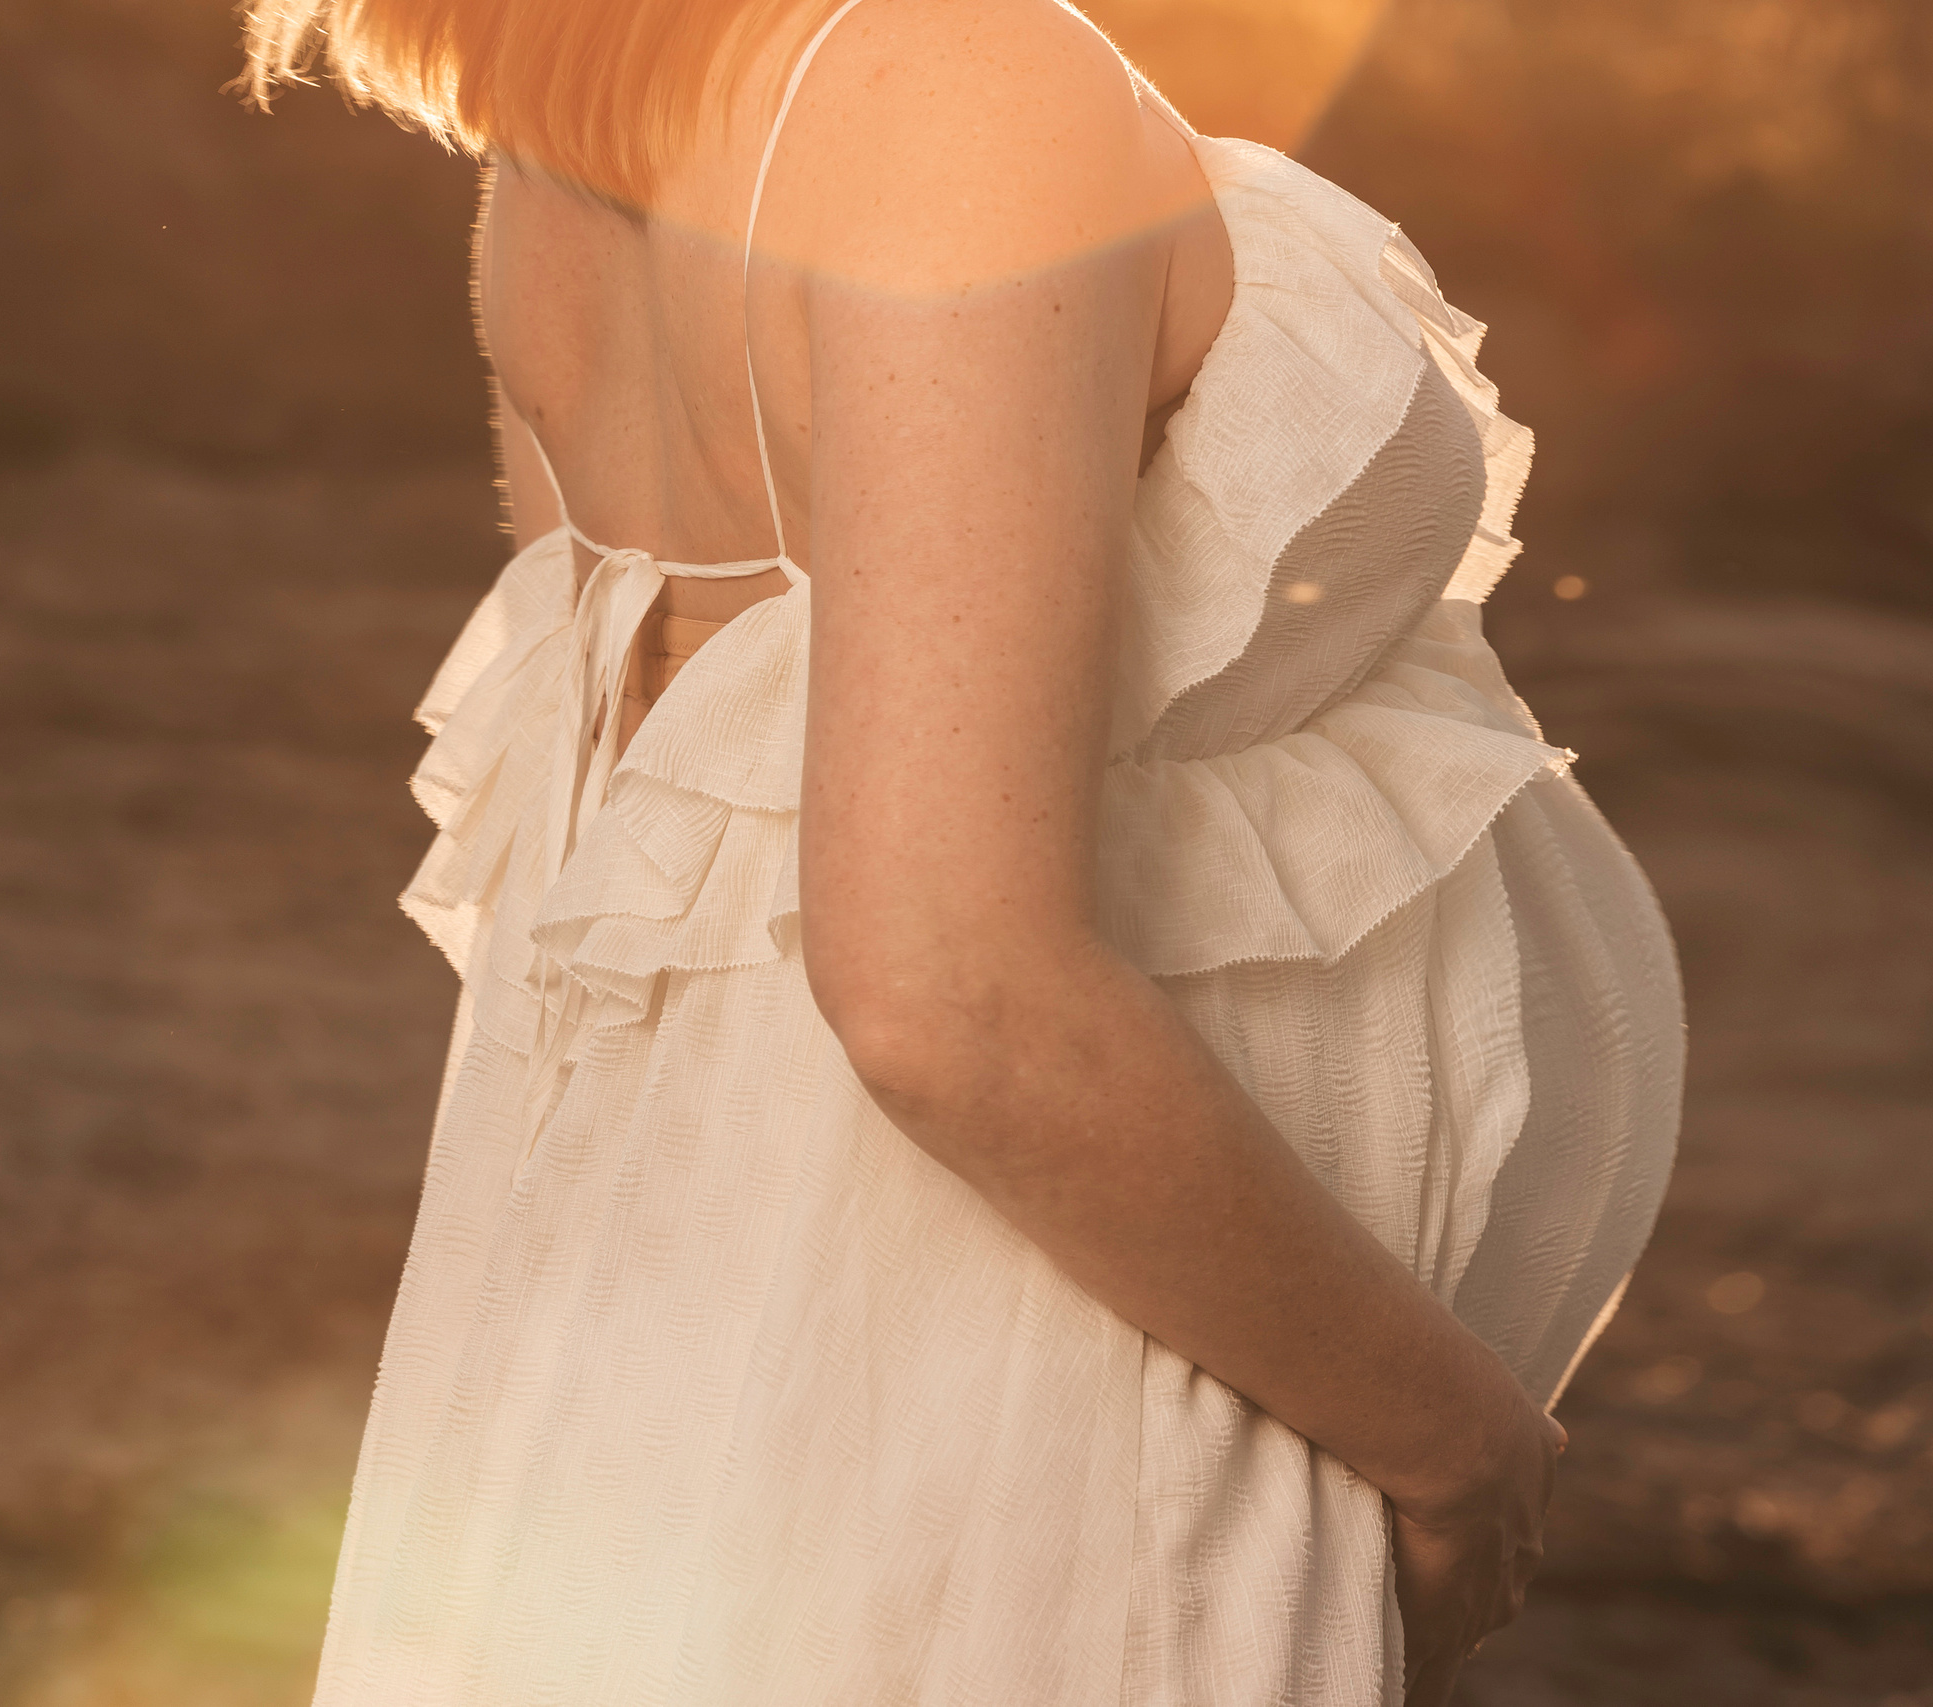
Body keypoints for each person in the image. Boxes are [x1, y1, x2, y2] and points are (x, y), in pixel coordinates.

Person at [241, 0, 1684, 1699]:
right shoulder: (961, 82)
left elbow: (634, 827)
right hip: (1033, 1358)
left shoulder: (592, 143)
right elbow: (945, 991)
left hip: (758, 1287)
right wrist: (1452, 1444)